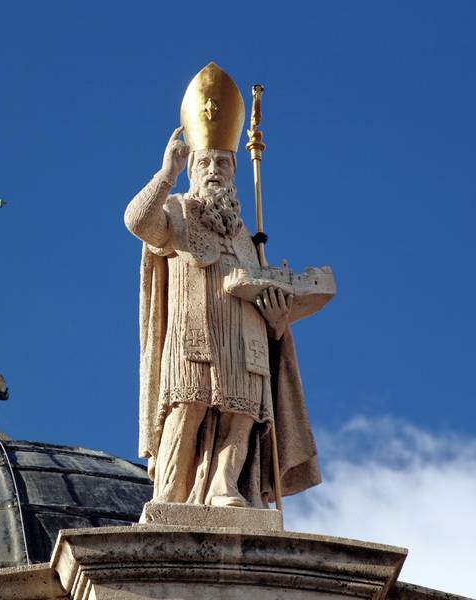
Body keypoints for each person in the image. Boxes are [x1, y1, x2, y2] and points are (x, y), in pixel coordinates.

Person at [124, 63, 320, 508]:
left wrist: (277, 321)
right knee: (188, 409)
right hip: (193, 334)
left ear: (234, 172)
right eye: (205, 162)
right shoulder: (177, 211)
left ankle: (224, 486)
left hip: (245, 340)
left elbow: (266, 300)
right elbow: (137, 221)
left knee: (243, 413)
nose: (214, 169)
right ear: (193, 168)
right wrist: (166, 173)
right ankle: (171, 495)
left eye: (223, 163)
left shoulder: (248, 237)